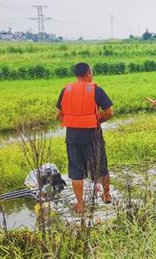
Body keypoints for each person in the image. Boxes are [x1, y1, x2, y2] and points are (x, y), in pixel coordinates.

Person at [56, 62, 114, 213]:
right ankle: (107, 195)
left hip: (73, 138)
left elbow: (59, 115)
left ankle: (80, 204)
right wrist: (99, 120)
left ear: (76, 75)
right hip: (92, 136)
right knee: (102, 167)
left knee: (76, 171)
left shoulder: (65, 90)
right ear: (88, 74)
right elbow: (109, 112)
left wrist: (71, 122)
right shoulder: (95, 90)